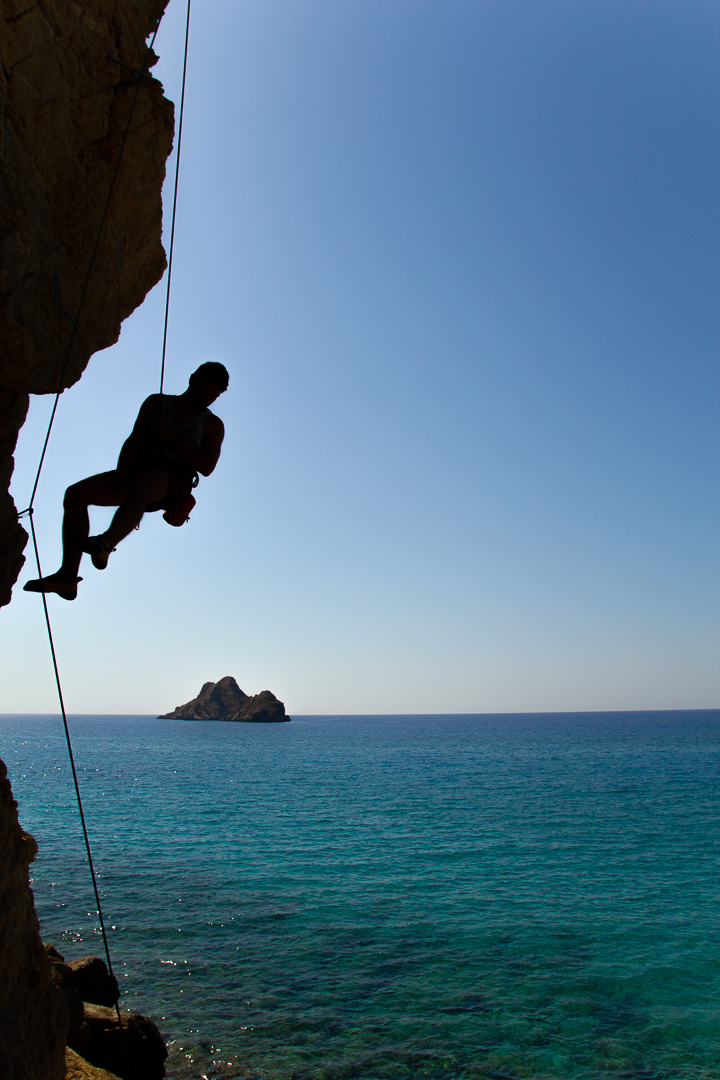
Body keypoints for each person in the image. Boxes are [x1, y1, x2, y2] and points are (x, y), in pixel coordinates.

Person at [24, 362, 228, 601]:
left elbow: (207, 466)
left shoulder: (212, 425)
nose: (207, 399)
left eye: (214, 396)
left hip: (174, 479)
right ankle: (67, 579)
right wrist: (122, 472)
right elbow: (134, 440)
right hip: (140, 469)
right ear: (192, 379)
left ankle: (105, 543)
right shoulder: (157, 404)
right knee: (76, 495)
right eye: (205, 390)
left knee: (141, 485)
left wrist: (169, 436)